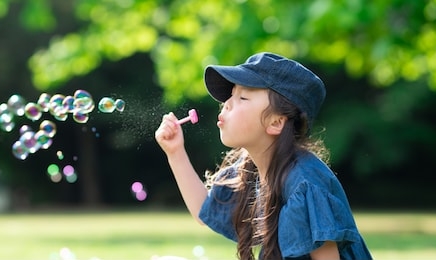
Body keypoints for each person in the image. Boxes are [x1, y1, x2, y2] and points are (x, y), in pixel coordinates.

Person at [154, 52, 372, 260]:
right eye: (231, 95)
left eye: (243, 98)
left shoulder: (305, 184)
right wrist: (175, 151)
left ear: (276, 122)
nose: (227, 103)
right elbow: (205, 210)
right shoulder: (252, 169)